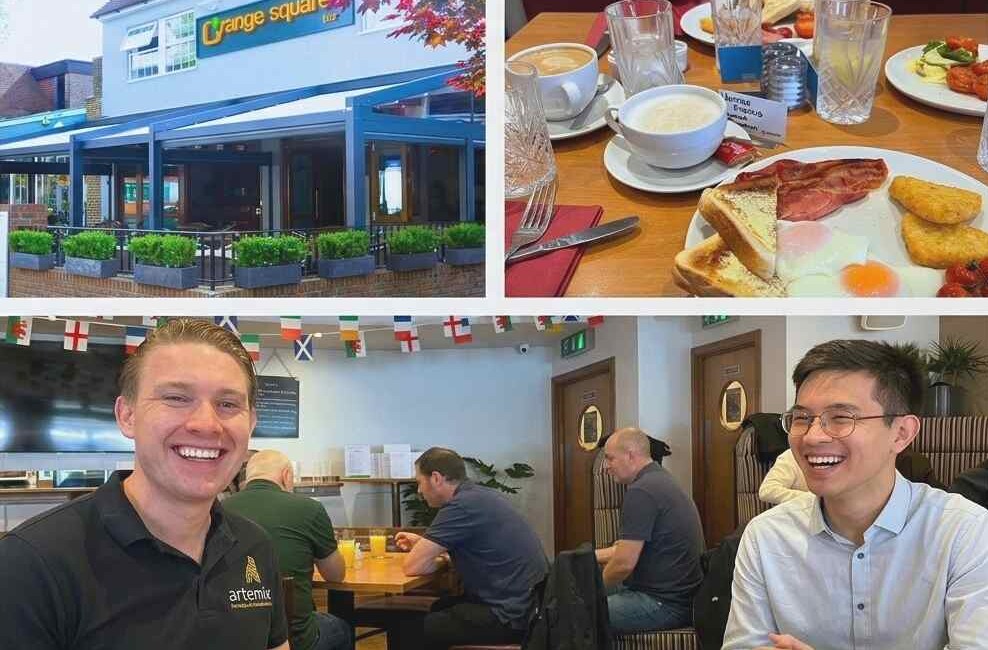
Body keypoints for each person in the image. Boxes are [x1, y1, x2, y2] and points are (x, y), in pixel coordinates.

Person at [0, 319, 289, 650]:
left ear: (250, 423)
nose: (206, 424)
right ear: (127, 416)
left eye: (228, 404)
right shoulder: (31, 564)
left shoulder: (255, 547)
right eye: (177, 397)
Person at [723, 340, 988, 650]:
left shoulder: (965, 532)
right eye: (802, 418)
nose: (813, 436)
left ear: (901, 433)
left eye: (841, 418)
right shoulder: (766, 538)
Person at [394, 447, 548, 650]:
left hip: (509, 616)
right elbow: (479, 553)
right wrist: (424, 545)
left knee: (407, 629)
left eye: (419, 482)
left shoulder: (460, 506)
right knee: (438, 608)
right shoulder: (478, 496)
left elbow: (412, 567)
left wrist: (428, 554)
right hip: (528, 606)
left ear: (436, 478)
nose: (419, 491)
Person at [223, 450, 351, 650]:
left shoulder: (219, 510)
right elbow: (336, 575)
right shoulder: (309, 509)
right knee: (341, 628)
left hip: (237, 636)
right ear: (286, 475)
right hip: (296, 638)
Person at [596, 427, 705, 633]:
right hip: (683, 596)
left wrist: (593, 591)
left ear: (630, 455)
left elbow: (623, 564)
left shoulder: (641, 491)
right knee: (577, 595)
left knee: (573, 612)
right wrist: (586, 558)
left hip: (665, 604)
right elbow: (624, 549)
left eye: (610, 459)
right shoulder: (660, 479)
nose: (606, 467)